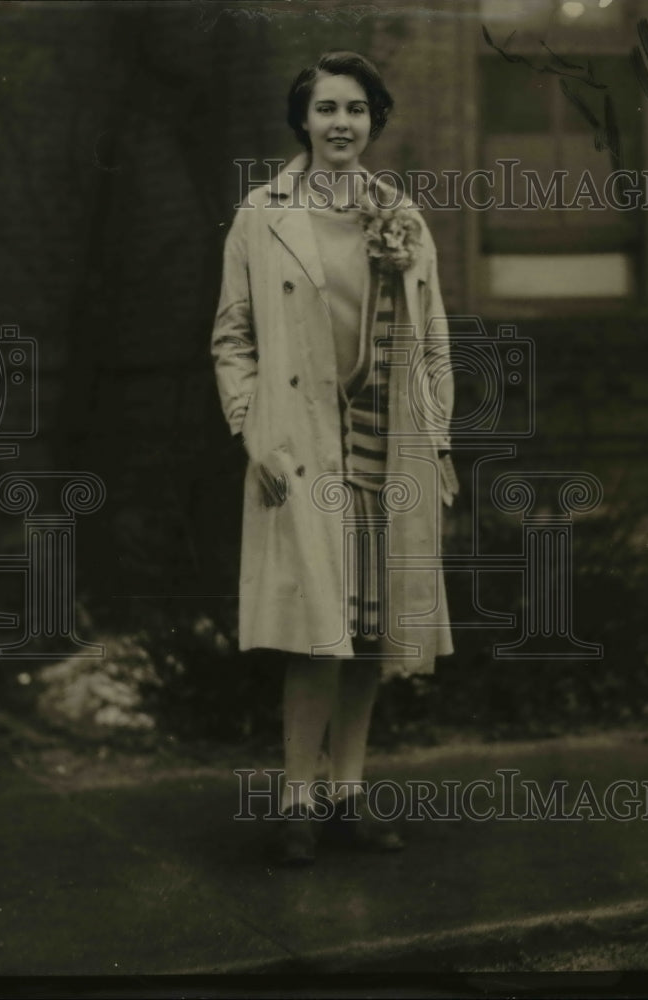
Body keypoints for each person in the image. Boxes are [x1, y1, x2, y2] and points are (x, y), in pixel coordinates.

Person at [211, 50, 457, 865]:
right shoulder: (262, 215)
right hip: (303, 447)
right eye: (326, 110)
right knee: (316, 634)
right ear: (303, 121)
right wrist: (255, 434)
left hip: (388, 446)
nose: (341, 124)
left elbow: (432, 342)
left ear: (373, 121)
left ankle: (347, 794)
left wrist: (437, 439)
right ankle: (295, 803)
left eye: (355, 109)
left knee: (371, 633)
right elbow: (232, 338)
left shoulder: (401, 218)